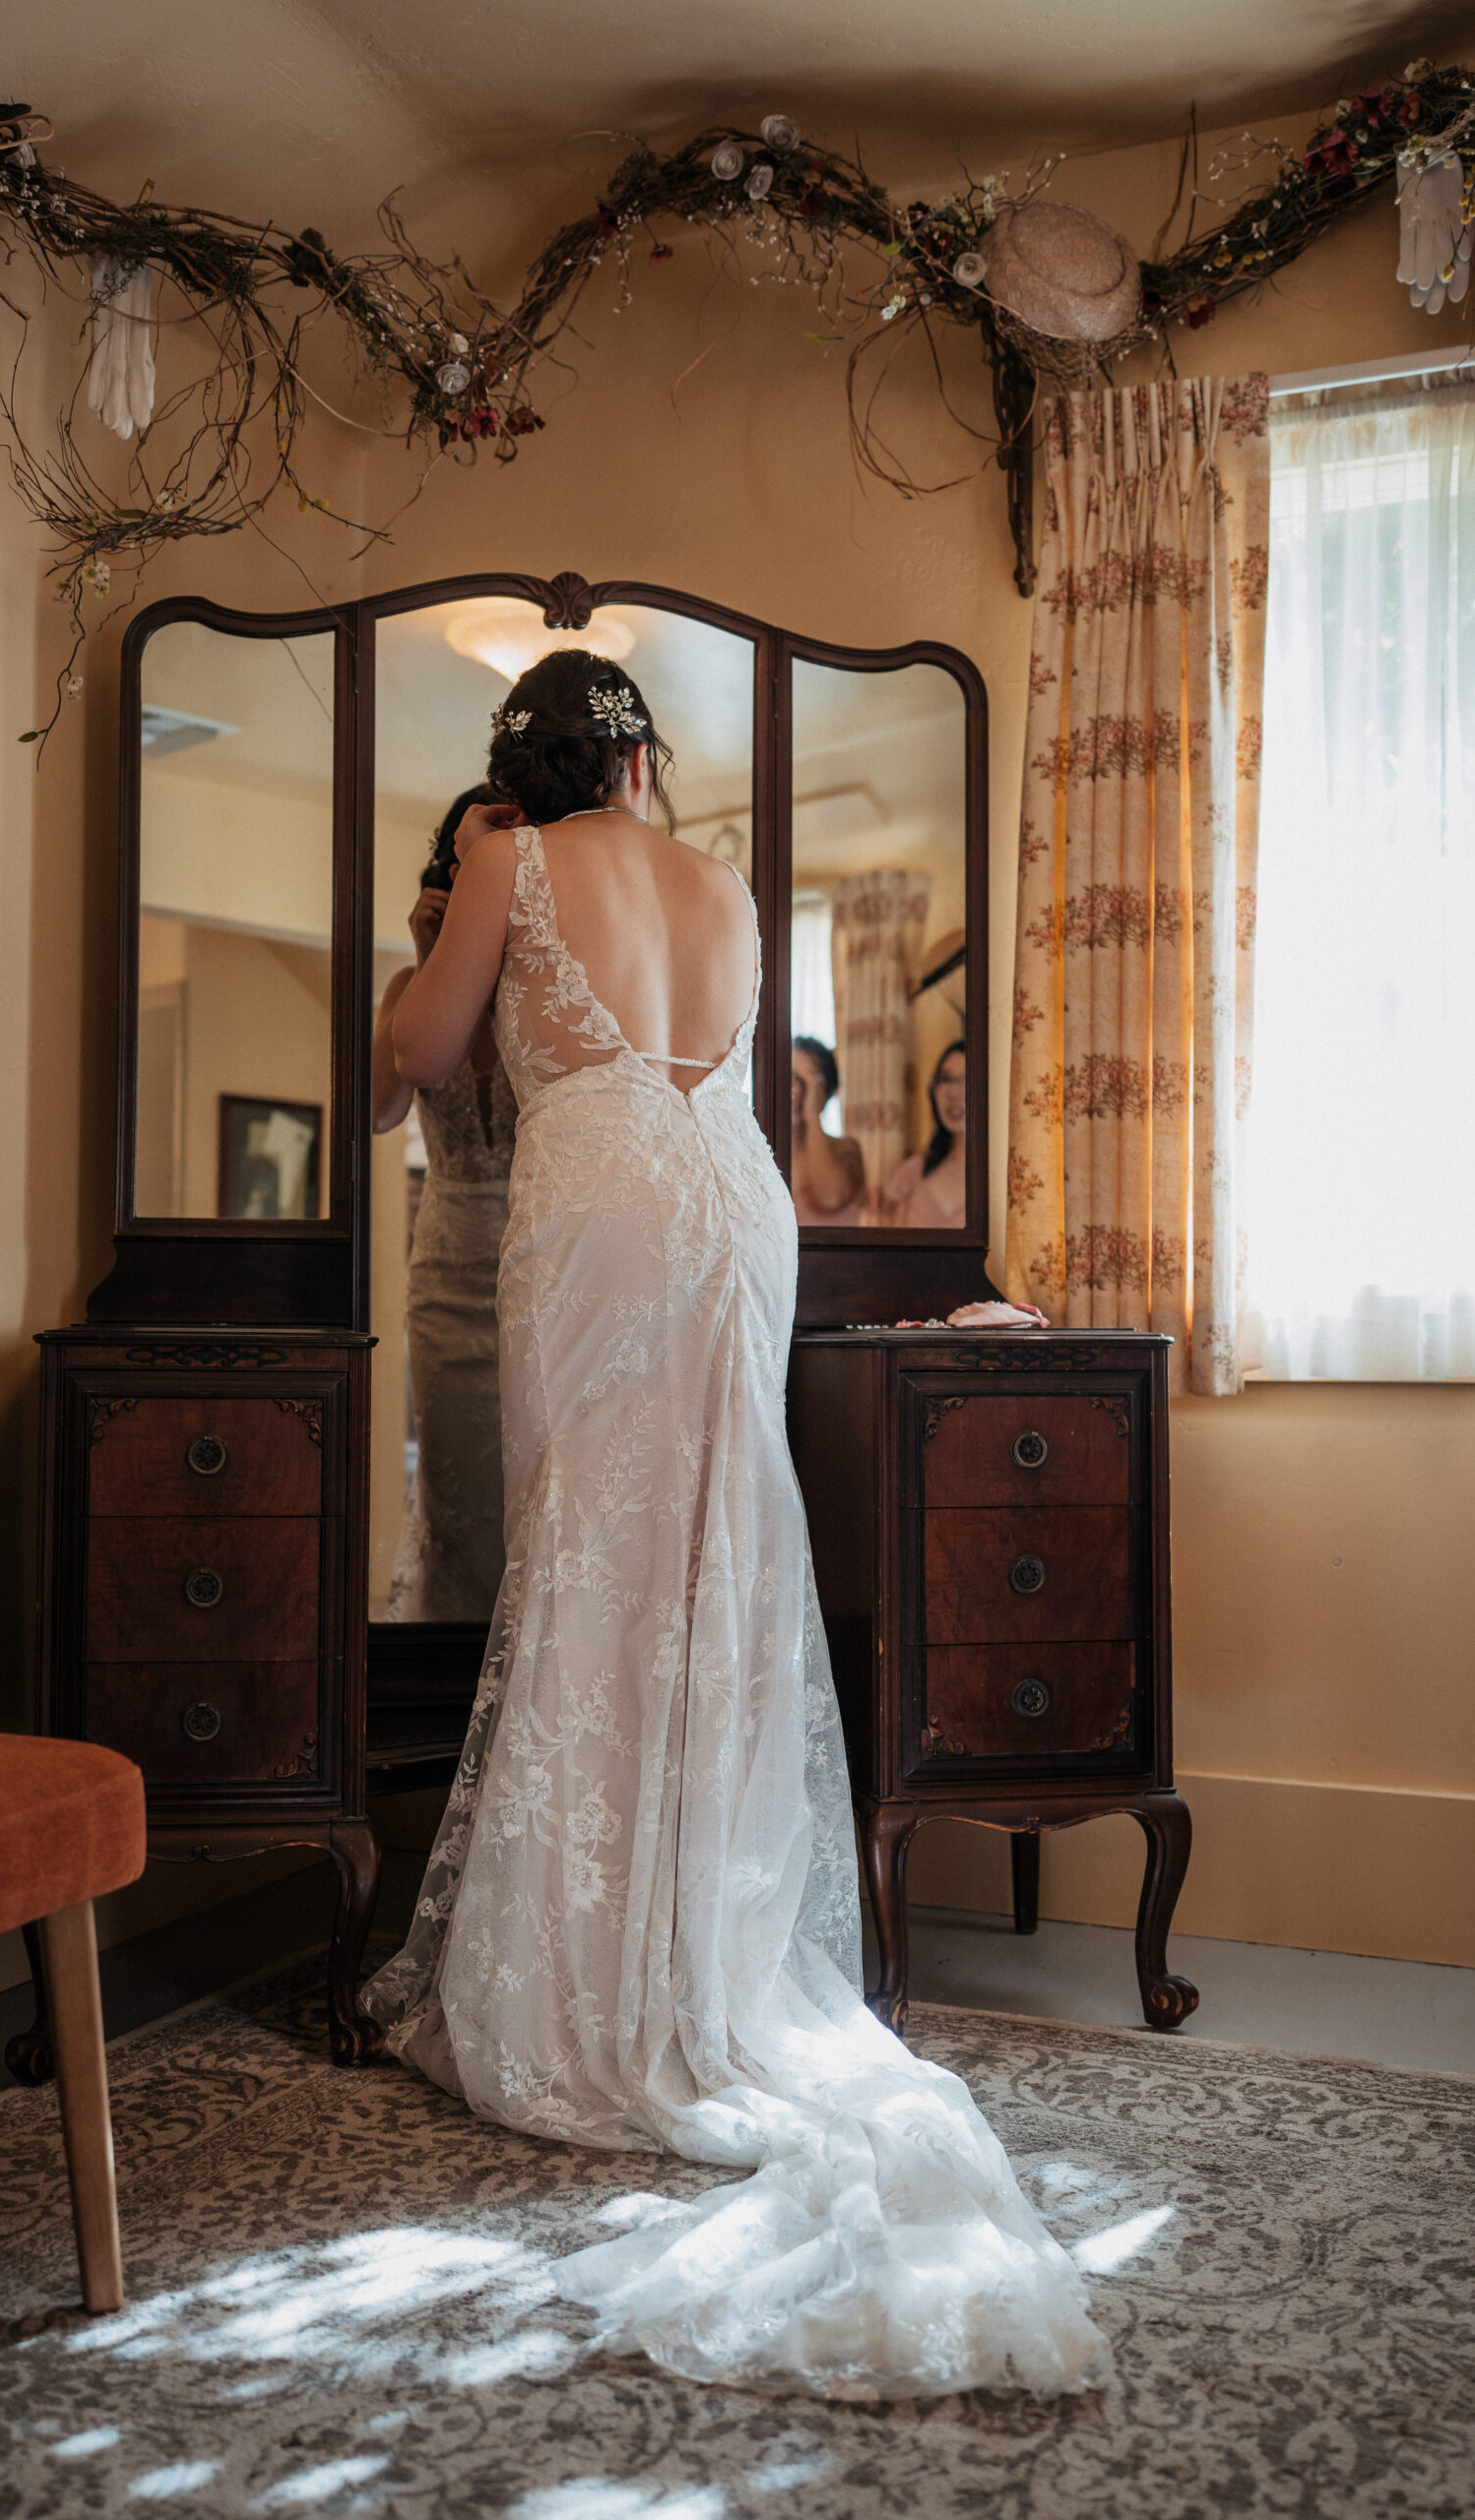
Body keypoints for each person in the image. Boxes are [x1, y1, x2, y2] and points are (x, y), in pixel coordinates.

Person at [359, 649, 1103, 2402]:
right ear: (638, 766)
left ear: (520, 776)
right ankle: (703, 1949)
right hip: (726, 1191)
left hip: (603, 1190)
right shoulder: (723, 880)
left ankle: (592, 1975)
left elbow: (417, 1048)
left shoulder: (503, 854)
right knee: (714, 1559)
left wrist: (460, 889)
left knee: (591, 1561)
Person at [372, 785, 516, 1620]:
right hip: (448, 1271)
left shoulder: (547, 989)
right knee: (456, 1498)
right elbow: (381, 1112)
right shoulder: (411, 987)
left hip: (545, 1260)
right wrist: (429, 966)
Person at [883, 1039, 967, 1228]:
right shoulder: (912, 1173)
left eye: (966, 1080)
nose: (953, 1092)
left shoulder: (1002, 1177)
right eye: (946, 1079)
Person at [790, 1035, 866, 1225]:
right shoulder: (762, 1154)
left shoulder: (848, 1149)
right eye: (790, 1078)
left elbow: (831, 1198)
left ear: (829, 1090)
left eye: (806, 1081)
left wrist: (812, 1116)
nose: (797, 1090)